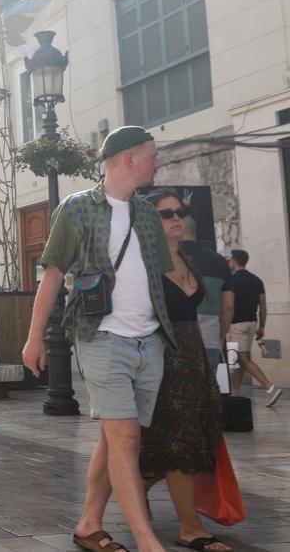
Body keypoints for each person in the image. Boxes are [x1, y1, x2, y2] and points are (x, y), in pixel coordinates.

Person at [22, 126, 173, 552]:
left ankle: (89, 523)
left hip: (149, 340)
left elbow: (161, 274)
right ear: (129, 159)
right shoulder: (76, 209)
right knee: (125, 436)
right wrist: (34, 338)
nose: (156, 162)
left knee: (117, 438)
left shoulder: (147, 214)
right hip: (101, 335)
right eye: (152, 155)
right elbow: (51, 275)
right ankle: (147, 540)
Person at [140, 190, 227, 552]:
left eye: (181, 211)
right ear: (149, 221)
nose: (177, 217)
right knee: (180, 445)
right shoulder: (144, 265)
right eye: (166, 213)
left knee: (197, 439)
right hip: (165, 360)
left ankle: (138, 485)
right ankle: (190, 528)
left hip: (193, 359)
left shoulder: (187, 259)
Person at [223, 250, 281, 406]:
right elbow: (263, 306)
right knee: (237, 360)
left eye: (230, 260)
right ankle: (234, 394)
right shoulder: (257, 280)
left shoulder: (231, 280)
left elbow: (229, 306)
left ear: (235, 261)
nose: (230, 262)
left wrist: (224, 326)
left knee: (241, 359)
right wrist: (262, 326)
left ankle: (270, 388)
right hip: (252, 323)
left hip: (236, 325)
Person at [177, 215, 231, 372]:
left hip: (176, 340)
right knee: (207, 391)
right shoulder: (220, 261)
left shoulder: (170, 258)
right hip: (210, 338)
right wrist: (221, 337)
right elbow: (229, 306)